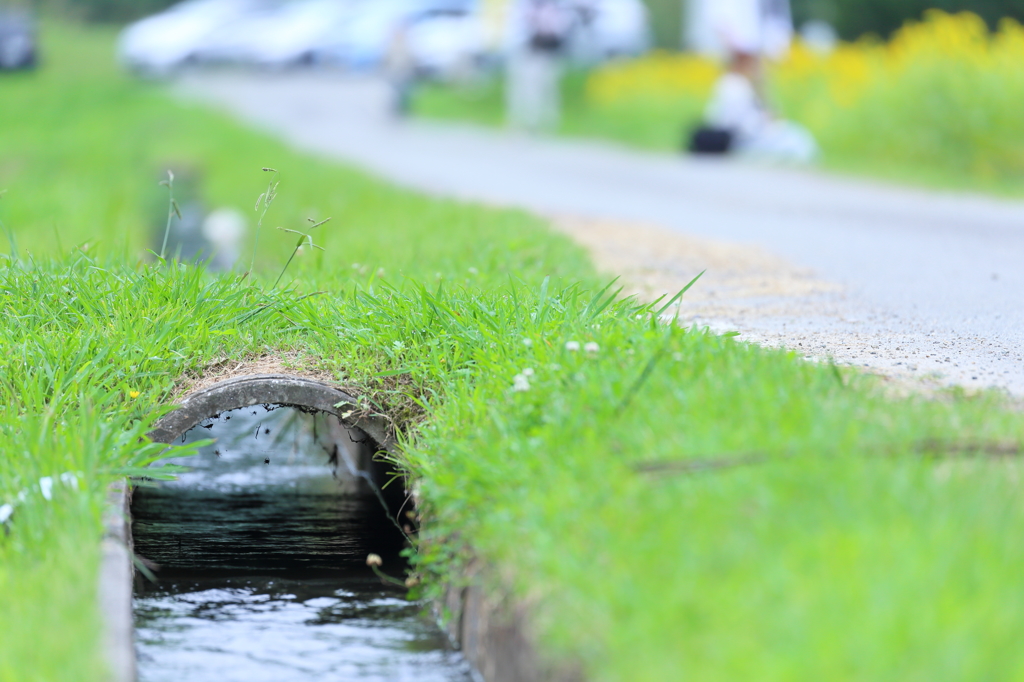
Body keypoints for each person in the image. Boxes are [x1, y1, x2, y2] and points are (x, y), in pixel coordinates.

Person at [695, 0, 817, 162]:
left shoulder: (742, 83)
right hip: (741, 141)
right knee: (797, 143)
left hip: (747, 136)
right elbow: (734, 125)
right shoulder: (733, 86)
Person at [506, 0, 573, 132]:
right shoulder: (528, 5)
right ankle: (522, 122)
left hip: (546, 52)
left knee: (544, 89)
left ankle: (541, 123)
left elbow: (560, 31)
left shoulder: (555, 8)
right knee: (522, 89)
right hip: (527, 49)